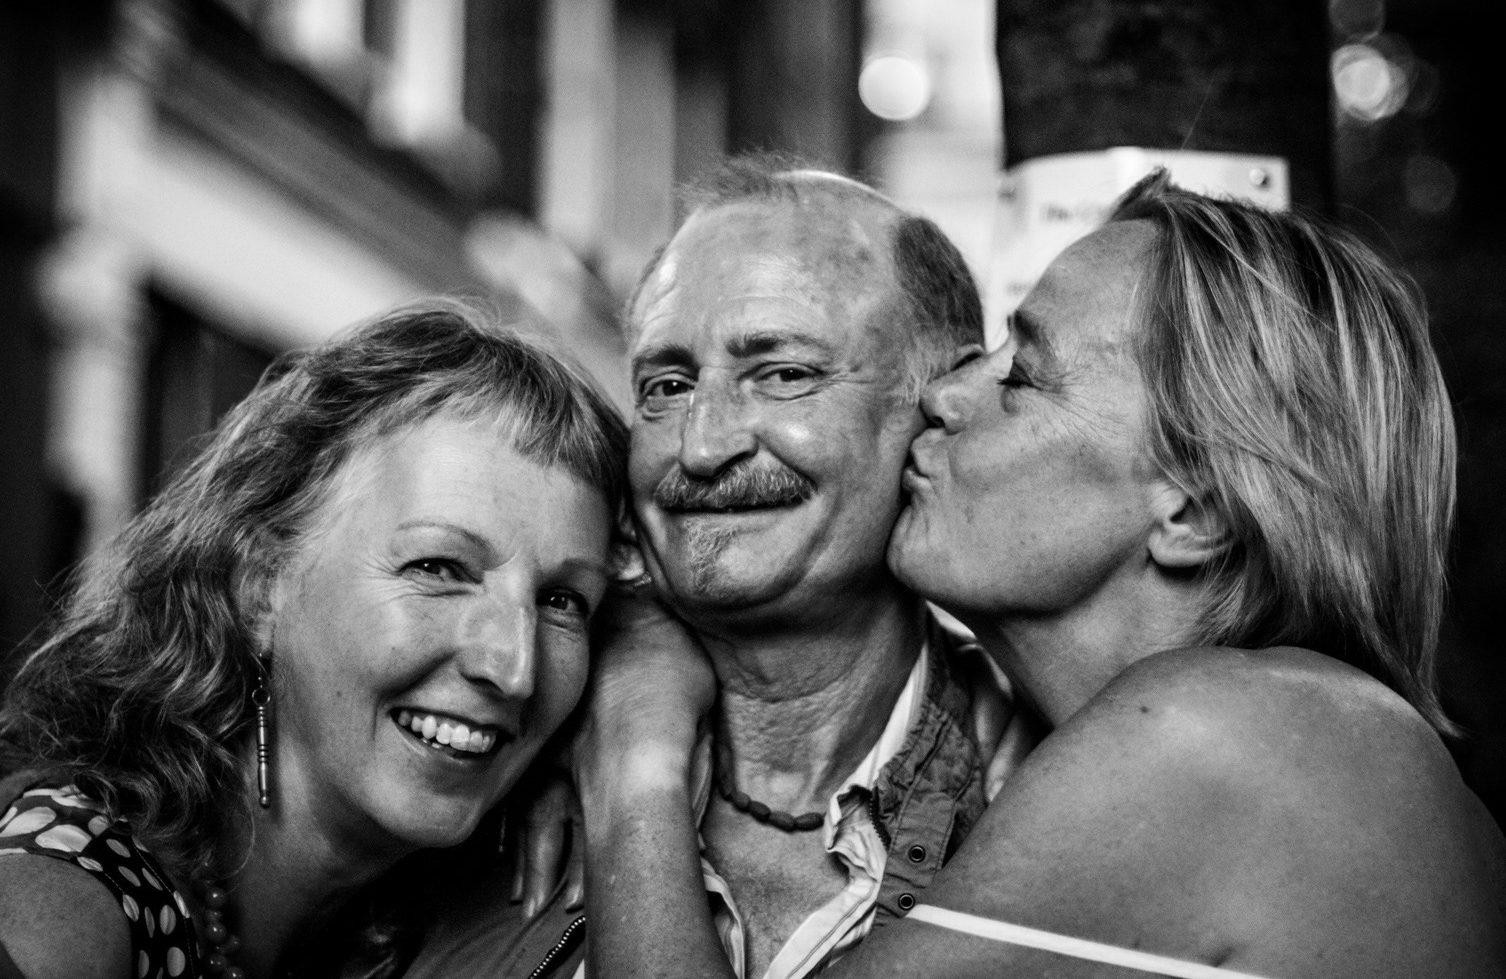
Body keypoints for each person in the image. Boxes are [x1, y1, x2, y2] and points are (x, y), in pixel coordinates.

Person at [573, 171, 1506, 979]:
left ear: (1197, 511)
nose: (943, 394)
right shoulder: (1305, 733)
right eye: (663, 385)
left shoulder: (1224, 738)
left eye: (1024, 377)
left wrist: (633, 763)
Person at [405, 157, 1017, 979]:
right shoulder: (477, 746)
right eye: (666, 384)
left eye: (785, 374)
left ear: (946, 404)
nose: (700, 445)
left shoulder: (1047, 787)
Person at [0, 303, 628, 979]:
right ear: (260, 588)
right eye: (439, 569)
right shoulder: (70, 891)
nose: (515, 668)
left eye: (562, 601)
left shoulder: (408, 915)